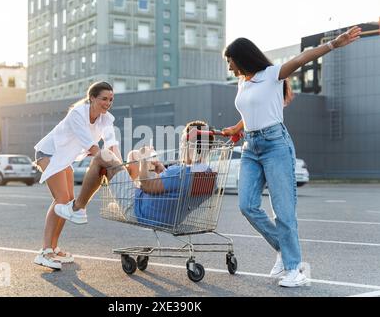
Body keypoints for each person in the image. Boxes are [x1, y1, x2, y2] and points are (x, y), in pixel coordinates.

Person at [221, 27, 362, 287]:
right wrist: (237, 128)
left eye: (230, 61)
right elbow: (250, 110)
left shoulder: (272, 74)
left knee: (283, 212)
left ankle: (295, 269)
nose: (229, 67)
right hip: (251, 148)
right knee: (247, 206)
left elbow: (301, 59)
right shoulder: (243, 82)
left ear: (241, 58)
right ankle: (284, 251)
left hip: (276, 145)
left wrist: (333, 45)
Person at [55, 120, 215, 228]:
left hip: (140, 210)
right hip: (171, 217)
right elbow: (178, 191)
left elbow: (146, 185)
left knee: (102, 156)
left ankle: (77, 208)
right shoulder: (208, 176)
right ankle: (118, 198)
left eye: (182, 142)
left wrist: (146, 160)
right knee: (133, 155)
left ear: (187, 144)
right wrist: (162, 170)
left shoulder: (181, 173)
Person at [33, 81, 121, 270]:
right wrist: (109, 162)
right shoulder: (78, 113)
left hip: (65, 158)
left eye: (111, 99)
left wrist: (120, 166)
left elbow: (112, 145)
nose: (108, 103)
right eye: (104, 99)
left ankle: (54, 248)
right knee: (62, 199)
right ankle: (44, 251)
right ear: (92, 98)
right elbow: (92, 147)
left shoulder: (106, 119)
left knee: (70, 201)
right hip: (49, 153)